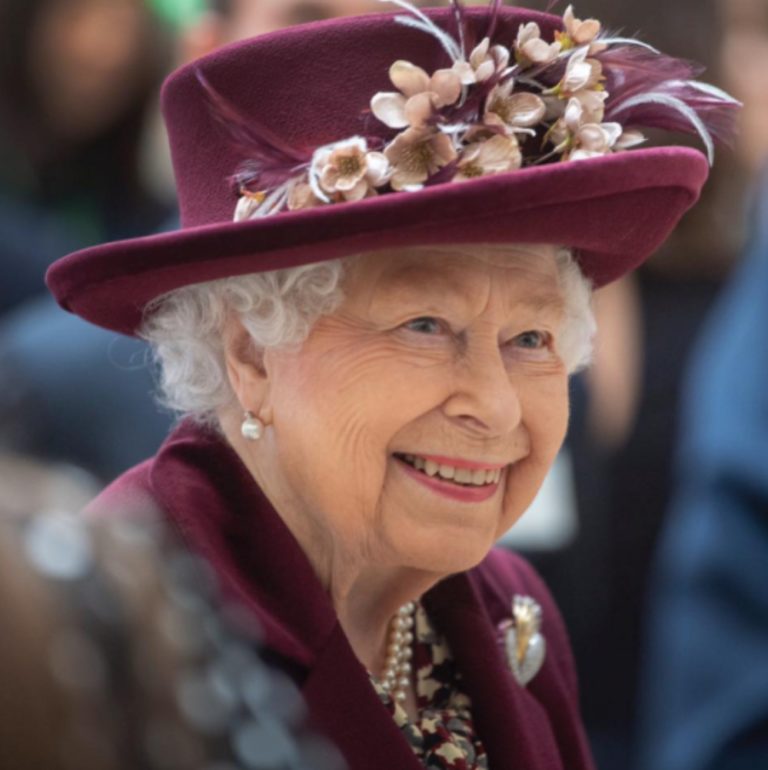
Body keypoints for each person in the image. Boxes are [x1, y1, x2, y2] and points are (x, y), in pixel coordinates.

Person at [45, 2, 739, 768]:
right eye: (424, 325)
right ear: (251, 356)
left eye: (531, 339)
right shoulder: (118, 642)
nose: (497, 405)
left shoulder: (511, 611)